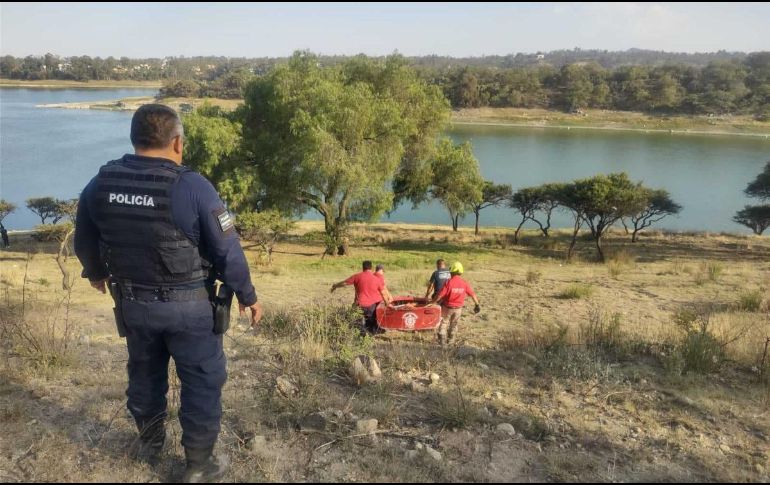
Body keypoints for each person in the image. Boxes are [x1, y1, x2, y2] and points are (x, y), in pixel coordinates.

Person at [74, 104, 262, 483]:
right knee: (202, 381)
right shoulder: (192, 186)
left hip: (134, 306)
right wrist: (247, 294)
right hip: (190, 311)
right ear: (177, 142)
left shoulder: (101, 182)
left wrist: (96, 272)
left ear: (135, 138)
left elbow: (84, 236)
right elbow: (227, 250)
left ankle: (149, 445)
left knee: (144, 374)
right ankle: (198, 465)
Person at [331, 260, 392, 334]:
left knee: (356, 325)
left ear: (363, 267)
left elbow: (344, 283)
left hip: (358, 305)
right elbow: (383, 293)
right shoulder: (376, 279)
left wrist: (335, 286)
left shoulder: (357, 276)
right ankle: (369, 334)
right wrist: (387, 304)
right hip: (371, 307)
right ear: (371, 268)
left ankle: (358, 333)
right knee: (371, 325)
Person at [430, 261, 481, 346]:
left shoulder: (449, 282)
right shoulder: (464, 283)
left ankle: (442, 345)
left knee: (443, 323)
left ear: (451, 271)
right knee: (454, 325)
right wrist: (477, 305)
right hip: (458, 309)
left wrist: (432, 302)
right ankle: (451, 343)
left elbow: (440, 295)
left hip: (447, 308)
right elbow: (472, 294)